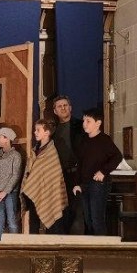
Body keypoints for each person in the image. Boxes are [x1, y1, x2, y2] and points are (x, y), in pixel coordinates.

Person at [72, 107, 123, 236]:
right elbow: (80, 164)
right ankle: (90, 246)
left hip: (98, 184)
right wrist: (77, 184)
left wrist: (103, 171)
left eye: (88, 121)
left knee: (97, 219)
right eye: (84, 121)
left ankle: (101, 246)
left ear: (98, 123)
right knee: (88, 220)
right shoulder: (83, 141)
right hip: (84, 184)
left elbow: (117, 156)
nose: (84, 124)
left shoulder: (104, 140)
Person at [20, 118, 67, 234]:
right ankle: (33, 244)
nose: (35, 132)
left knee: (52, 219)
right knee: (33, 222)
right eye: (35, 130)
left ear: (47, 133)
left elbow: (54, 175)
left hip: (49, 192)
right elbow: (29, 171)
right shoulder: (34, 151)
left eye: (38, 130)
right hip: (33, 190)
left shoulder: (52, 152)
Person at [52, 95, 85, 233]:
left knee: (79, 212)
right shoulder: (53, 130)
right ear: (55, 111)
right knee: (63, 212)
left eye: (65, 105)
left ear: (70, 108)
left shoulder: (81, 125)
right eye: (59, 106)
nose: (63, 108)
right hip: (61, 176)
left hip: (78, 174)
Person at [0, 127, 23, 239]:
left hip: (10, 193)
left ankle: (14, 246)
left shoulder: (16, 155)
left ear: (7, 139)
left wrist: (5, 192)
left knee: (12, 221)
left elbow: (16, 175)